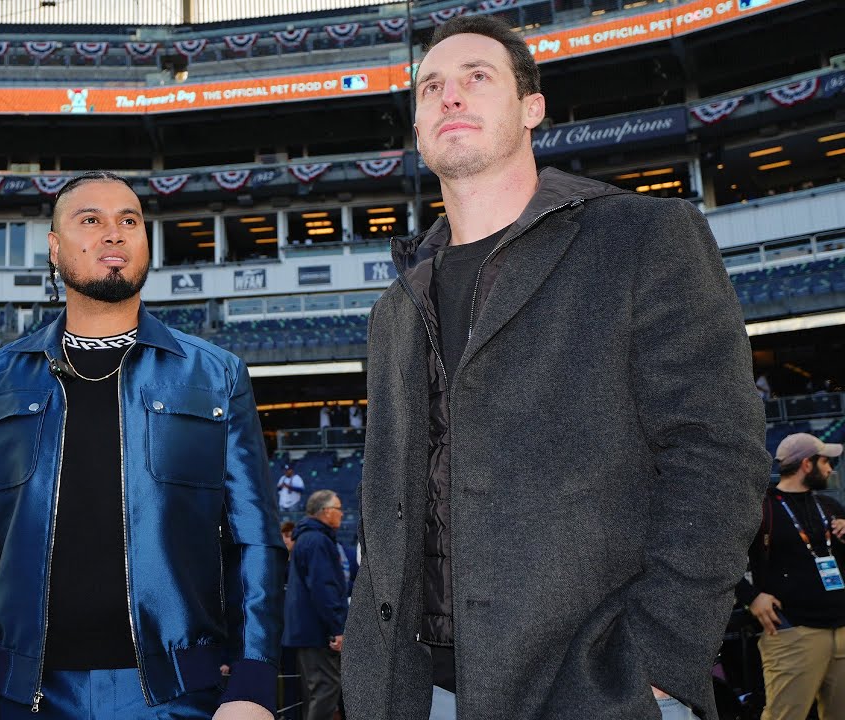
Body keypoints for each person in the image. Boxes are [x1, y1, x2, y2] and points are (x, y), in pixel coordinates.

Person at [341, 15, 770, 720]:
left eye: (478, 78)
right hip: (419, 695)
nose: (450, 97)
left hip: (599, 689)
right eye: (431, 88)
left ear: (531, 108)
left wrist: (658, 660)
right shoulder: (396, 304)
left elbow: (716, 455)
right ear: (417, 129)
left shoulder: (642, 236)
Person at [0, 172, 283, 720]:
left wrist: (254, 681)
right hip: (29, 697)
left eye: (129, 221)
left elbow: (254, 539)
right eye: (90, 220)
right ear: (55, 247)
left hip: (177, 696)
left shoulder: (217, 374)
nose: (113, 234)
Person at [737, 433, 845, 720]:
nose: (831, 469)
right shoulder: (762, 509)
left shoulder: (830, 508)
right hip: (793, 632)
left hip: (842, 630)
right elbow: (718, 560)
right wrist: (751, 597)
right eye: (825, 462)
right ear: (807, 464)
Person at [283, 491, 349, 720]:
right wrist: (336, 628)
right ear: (325, 511)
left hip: (307, 629)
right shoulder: (317, 540)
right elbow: (323, 588)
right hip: (317, 630)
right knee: (325, 690)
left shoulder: (309, 538)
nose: (342, 514)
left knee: (314, 692)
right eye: (338, 508)